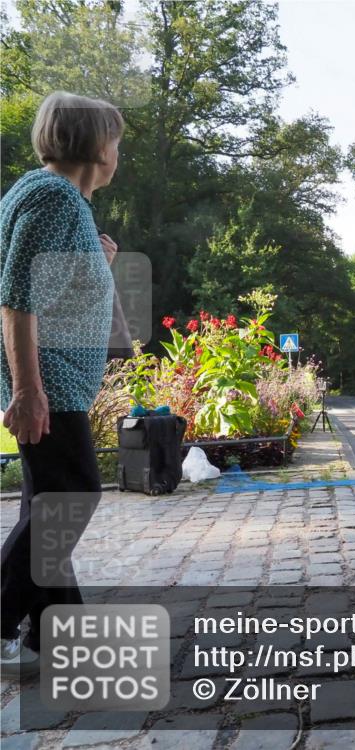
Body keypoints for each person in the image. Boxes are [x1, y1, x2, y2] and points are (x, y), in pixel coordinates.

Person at [0, 92, 123, 676]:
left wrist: (98, 259)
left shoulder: (60, 201)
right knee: (72, 497)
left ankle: (55, 643)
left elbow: (52, 290)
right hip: (50, 384)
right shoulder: (53, 198)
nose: (117, 152)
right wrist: (29, 390)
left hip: (54, 380)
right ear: (99, 147)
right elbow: (16, 300)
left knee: (46, 507)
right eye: (116, 141)